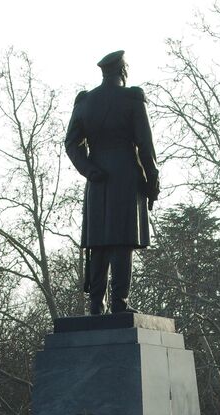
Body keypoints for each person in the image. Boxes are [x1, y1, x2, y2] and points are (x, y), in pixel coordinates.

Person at [64, 50, 160, 314]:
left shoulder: (85, 102)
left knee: (99, 241)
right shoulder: (132, 99)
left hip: (98, 178)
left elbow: (71, 143)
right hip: (126, 175)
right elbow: (145, 145)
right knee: (121, 241)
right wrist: (153, 182)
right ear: (123, 70)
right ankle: (119, 303)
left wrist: (89, 169)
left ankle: (97, 304)